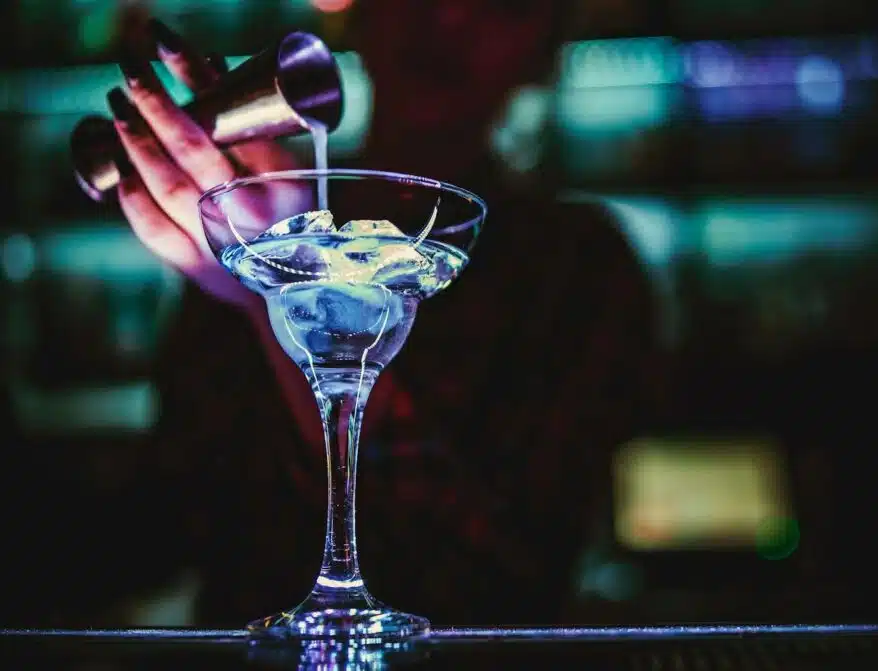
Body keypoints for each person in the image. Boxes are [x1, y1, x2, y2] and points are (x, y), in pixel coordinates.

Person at [105, 1, 668, 626]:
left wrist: (292, 282)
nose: (449, 17)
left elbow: (499, 578)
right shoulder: (242, 224)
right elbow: (163, 524)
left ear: (543, 54)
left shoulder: (578, 263)